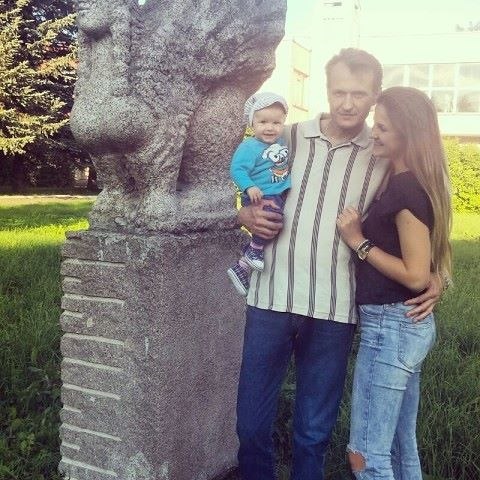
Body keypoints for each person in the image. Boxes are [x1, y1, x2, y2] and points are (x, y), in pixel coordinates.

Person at [235, 48, 443, 480]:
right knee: (250, 425)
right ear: (326, 90)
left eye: (359, 94)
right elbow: (237, 184)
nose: (348, 104)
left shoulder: (384, 149)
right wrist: (243, 214)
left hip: (335, 311)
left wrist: (437, 273)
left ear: (375, 95)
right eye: (339, 92)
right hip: (270, 299)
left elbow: (423, 211)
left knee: (313, 433)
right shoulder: (287, 137)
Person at [336, 86, 452, 479]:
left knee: (365, 455)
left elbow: (415, 274)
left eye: (383, 127)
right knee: (402, 447)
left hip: (392, 327)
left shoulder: (406, 187)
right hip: (402, 325)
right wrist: (435, 276)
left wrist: (358, 241)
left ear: (408, 133)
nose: (374, 132)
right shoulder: (404, 179)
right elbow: (423, 264)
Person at [228, 92, 291, 296]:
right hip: (260, 195)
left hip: (276, 193)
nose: (270, 127)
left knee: (275, 222)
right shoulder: (249, 146)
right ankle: (253, 251)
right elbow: (237, 169)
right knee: (271, 220)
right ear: (252, 123)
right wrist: (249, 187)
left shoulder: (281, 142)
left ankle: (242, 267)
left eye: (276, 123)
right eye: (263, 122)